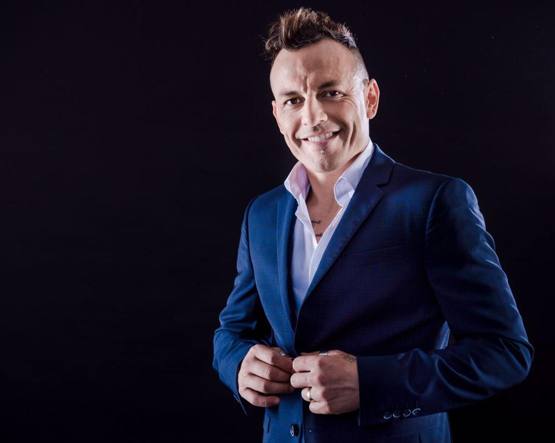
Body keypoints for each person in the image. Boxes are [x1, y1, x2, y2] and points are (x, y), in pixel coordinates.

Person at [212, 7, 533, 443]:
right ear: (277, 114)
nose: (312, 117)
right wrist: (238, 364)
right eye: (293, 100)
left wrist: (371, 384)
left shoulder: (435, 202)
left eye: (330, 92)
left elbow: (505, 352)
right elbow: (232, 332)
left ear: (370, 98)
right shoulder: (262, 213)